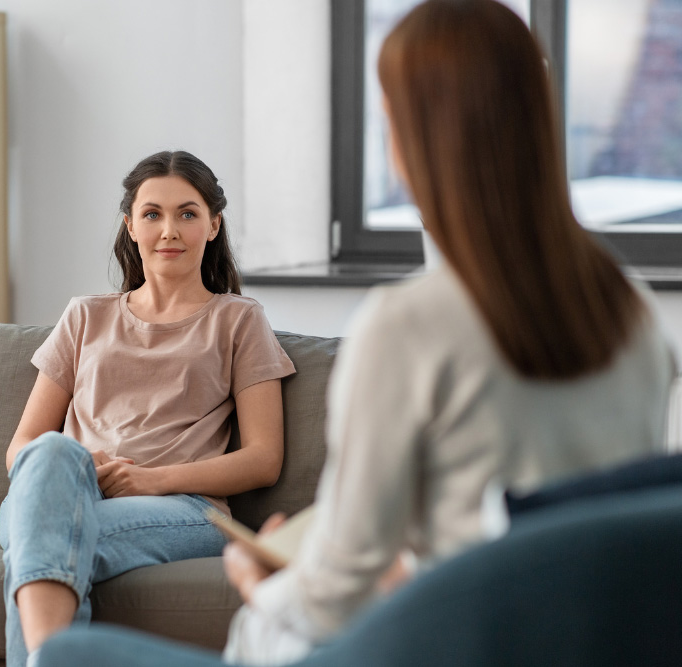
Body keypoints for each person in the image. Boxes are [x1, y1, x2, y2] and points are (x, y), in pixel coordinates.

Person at [34, 2, 678, 666]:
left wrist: (266, 587)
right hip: (573, 639)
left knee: (68, 657)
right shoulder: (627, 307)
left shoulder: (408, 326)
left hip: (431, 645)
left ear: (410, 141)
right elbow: (548, 536)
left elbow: (334, 591)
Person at [0, 150, 296, 667]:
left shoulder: (239, 320)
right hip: (65, 491)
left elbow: (264, 458)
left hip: (182, 508)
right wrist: (84, 468)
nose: (169, 230)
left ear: (213, 224)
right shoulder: (84, 316)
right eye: (153, 214)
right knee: (49, 457)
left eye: (187, 213)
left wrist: (150, 479)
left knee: (42, 548)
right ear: (131, 226)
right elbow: (20, 450)